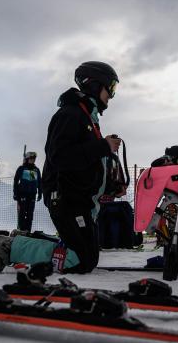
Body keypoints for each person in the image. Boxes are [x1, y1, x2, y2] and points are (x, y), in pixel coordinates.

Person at [41, 61, 121, 273]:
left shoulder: (87, 116)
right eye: (110, 88)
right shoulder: (71, 114)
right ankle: (13, 247)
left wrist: (110, 183)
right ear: (95, 85)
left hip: (80, 200)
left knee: (87, 255)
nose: (111, 95)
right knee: (82, 260)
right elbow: (59, 156)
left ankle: (37, 243)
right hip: (66, 198)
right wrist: (102, 145)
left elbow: (86, 158)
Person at [13, 151, 43, 233]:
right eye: (31, 158)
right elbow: (15, 181)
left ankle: (28, 231)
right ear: (27, 159)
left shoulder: (36, 170)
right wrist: (15, 193)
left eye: (34, 158)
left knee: (30, 214)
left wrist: (40, 193)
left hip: (32, 194)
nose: (33, 160)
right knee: (22, 213)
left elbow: (39, 182)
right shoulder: (21, 168)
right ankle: (22, 230)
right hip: (22, 193)